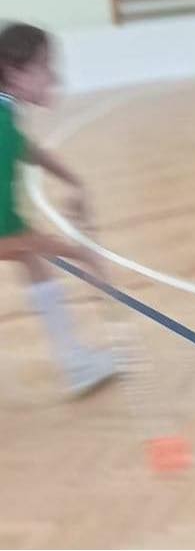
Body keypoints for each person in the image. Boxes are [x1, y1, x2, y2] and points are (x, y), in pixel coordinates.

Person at [0, 22, 117, 395]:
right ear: (14, 73)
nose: (53, 77)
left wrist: (72, 180)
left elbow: (25, 147)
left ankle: (75, 362)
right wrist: (82, 254)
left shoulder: (5, 117)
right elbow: (10, 239)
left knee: (32, 260)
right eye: (44, 66)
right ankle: (76, 362)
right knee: (29, 251)